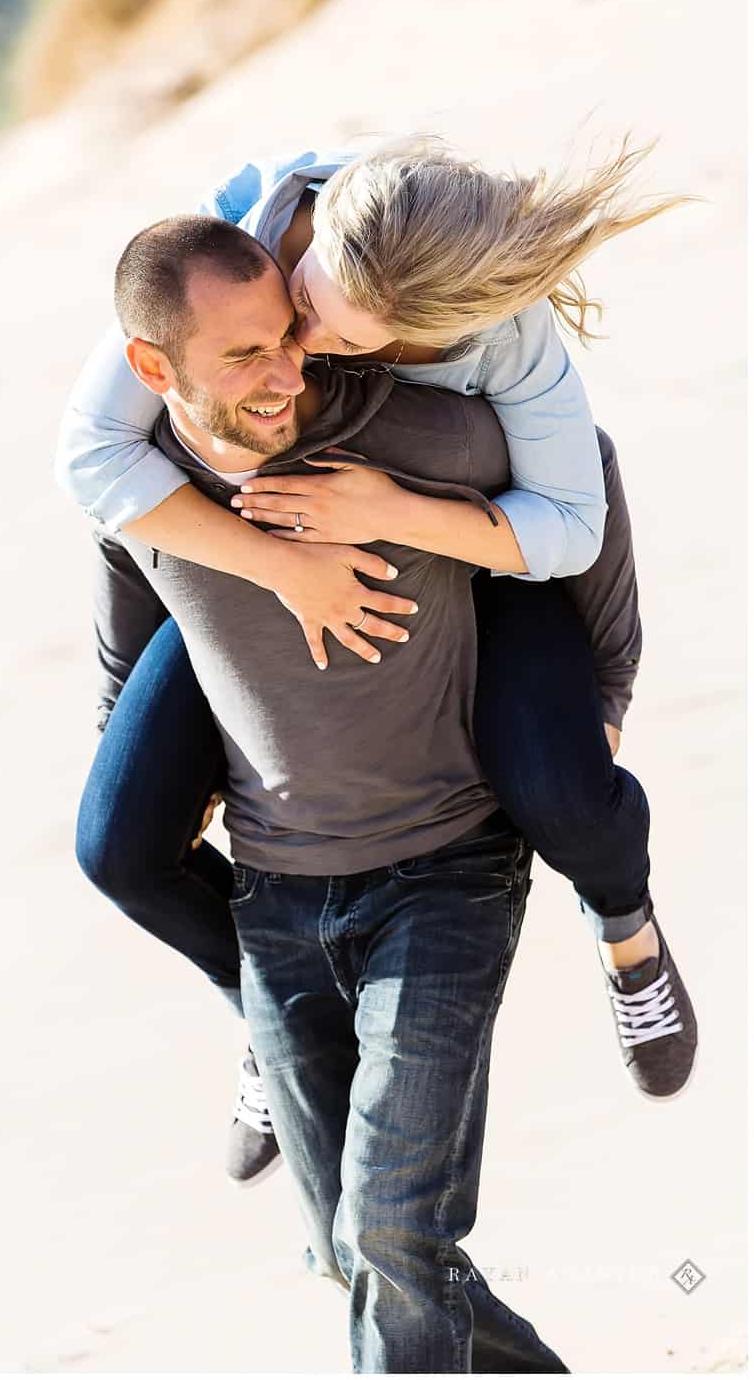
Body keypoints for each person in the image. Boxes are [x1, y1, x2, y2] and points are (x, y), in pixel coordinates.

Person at [60, 137, 697, 1187]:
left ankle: (627, 934)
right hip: (253, 581)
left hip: (486, 567)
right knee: (119, 844)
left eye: (334, 335)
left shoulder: (497, 346)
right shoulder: (249, 239)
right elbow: (100, 469)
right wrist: (274, 575)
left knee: (562, 791)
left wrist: (401, 513)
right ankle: (260, 1012)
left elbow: (581, 511)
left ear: (417, 339)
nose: (297, 343)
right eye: (302, 301)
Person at [82, 212, 572, 1372]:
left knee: (397, 1228)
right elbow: (125, 642)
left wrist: (601, 691)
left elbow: (580, 506)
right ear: (154, 370)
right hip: (278, 901)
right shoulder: (139, 489)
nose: (283, 375)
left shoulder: (410, 437)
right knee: (353, 1254)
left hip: (446, 877)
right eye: (241, 356)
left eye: (287, 339)